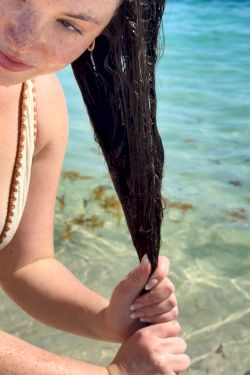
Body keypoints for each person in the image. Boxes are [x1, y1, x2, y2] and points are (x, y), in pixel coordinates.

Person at [0, 0, 191, 374]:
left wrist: (105, 319)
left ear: (96, 39)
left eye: (70, 25)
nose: (23, 39)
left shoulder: (37, 102)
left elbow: (25, 265)